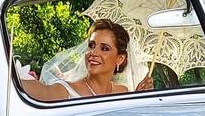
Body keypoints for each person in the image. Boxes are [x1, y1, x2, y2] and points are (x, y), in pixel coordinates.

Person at [21, 19, 152, 101]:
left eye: (104, 48)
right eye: (92, 45)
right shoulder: (64, 91)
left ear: (120, 58)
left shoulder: (123, 92)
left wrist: (139, 99)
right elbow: (37, 91)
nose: (93, 53)